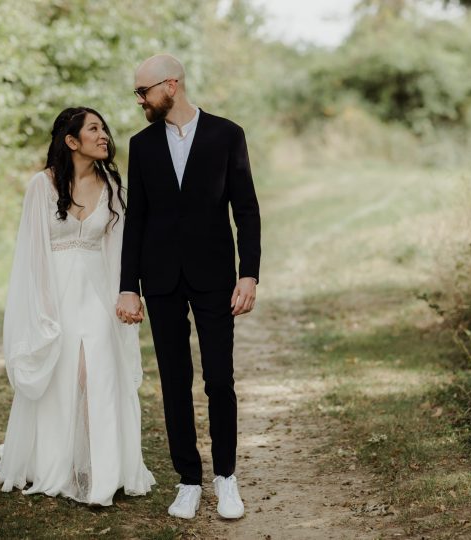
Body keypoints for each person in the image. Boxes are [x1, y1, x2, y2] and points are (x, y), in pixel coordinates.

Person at [116, 54, 261, 520]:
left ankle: (226, 478)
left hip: (215, 276)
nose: (139, 100)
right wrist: (127, 286)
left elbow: (247, 209)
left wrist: (249, 272)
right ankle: (188, 480)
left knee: (219, 379)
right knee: (174, 382)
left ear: (170, 86)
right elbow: (135, 219)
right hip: (160, 280)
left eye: (144, 92)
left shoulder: (226, 134)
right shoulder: (141, 145)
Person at [0, 107, 155, 506]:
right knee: (62, 373)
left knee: (96, 373)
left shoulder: (113, 186)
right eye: (93, 129)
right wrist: (43, 309)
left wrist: (127, 293)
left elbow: (119, 250)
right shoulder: (42, 186)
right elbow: (31, 254)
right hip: (55, 295)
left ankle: (102, 467)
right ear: (71, 141)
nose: (104, 136)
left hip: (98, 294)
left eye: (104, 129)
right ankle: (58, 462)